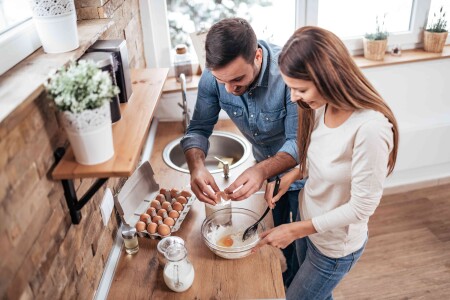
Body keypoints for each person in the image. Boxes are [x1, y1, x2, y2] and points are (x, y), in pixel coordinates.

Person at [254, 26, 399, 299]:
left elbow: (362, 208)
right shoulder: (322, 105)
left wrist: (295, 229)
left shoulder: (371, 128)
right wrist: (293, 175)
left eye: (300, 89)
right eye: (290, 88)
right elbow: (321, 156)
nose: (294, 97)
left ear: (328, 77)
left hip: (334, 247)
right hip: (308, 223)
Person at [180, 18, 305, 287]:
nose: (229, 89)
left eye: (238, 79)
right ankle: (290, 278)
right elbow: (198, 129)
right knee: (278, 231)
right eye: (221, 80)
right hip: (267, 171)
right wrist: (196, 167)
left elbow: (298, 143)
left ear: (257, 56)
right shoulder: (215, 76)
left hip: (305, 172)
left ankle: (298, 283)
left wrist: (260, 170)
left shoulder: (288, 72)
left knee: (306, 242)